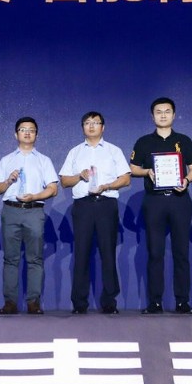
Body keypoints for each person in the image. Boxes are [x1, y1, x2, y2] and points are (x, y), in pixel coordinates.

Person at [130, 97, 192, 314]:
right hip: (154, 201)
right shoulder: (143, 142)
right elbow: (133, 168)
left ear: (174, 115)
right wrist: (147, 171)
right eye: (158, 112)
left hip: (179, 200)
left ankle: (182, 301)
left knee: (181, 252)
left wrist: (186, 180)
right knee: (155, 252)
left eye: (167, 111)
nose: (163, 115)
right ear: (152, 116)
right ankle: (155, 302)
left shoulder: (184, 141)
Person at [59, 111, 131, 314]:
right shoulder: (75, 152)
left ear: (103, 127)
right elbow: (64, 181)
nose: (91, 126)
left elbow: (126, 179)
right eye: (87, 123)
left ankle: (109, 302)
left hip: (106, 204)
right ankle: (79, 303)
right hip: (83, 205)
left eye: (95, 123)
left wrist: (107, 186)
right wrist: (79, 176)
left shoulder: (113, 151)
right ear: (83, 127)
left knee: (108, 253)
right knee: (81, 253)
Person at [0, 117, 59, 315]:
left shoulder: (44, 160)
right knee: (10, 258)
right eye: (23, 129)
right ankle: (10, 302)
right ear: (16, 134)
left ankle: (33, 302)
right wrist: (8, 181)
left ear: (36, 135)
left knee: (35, 258)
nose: (27, 133)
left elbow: (53, 189)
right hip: (11, 210)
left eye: (31, 130)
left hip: (34, 210)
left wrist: (35, 196)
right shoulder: (6, 160)